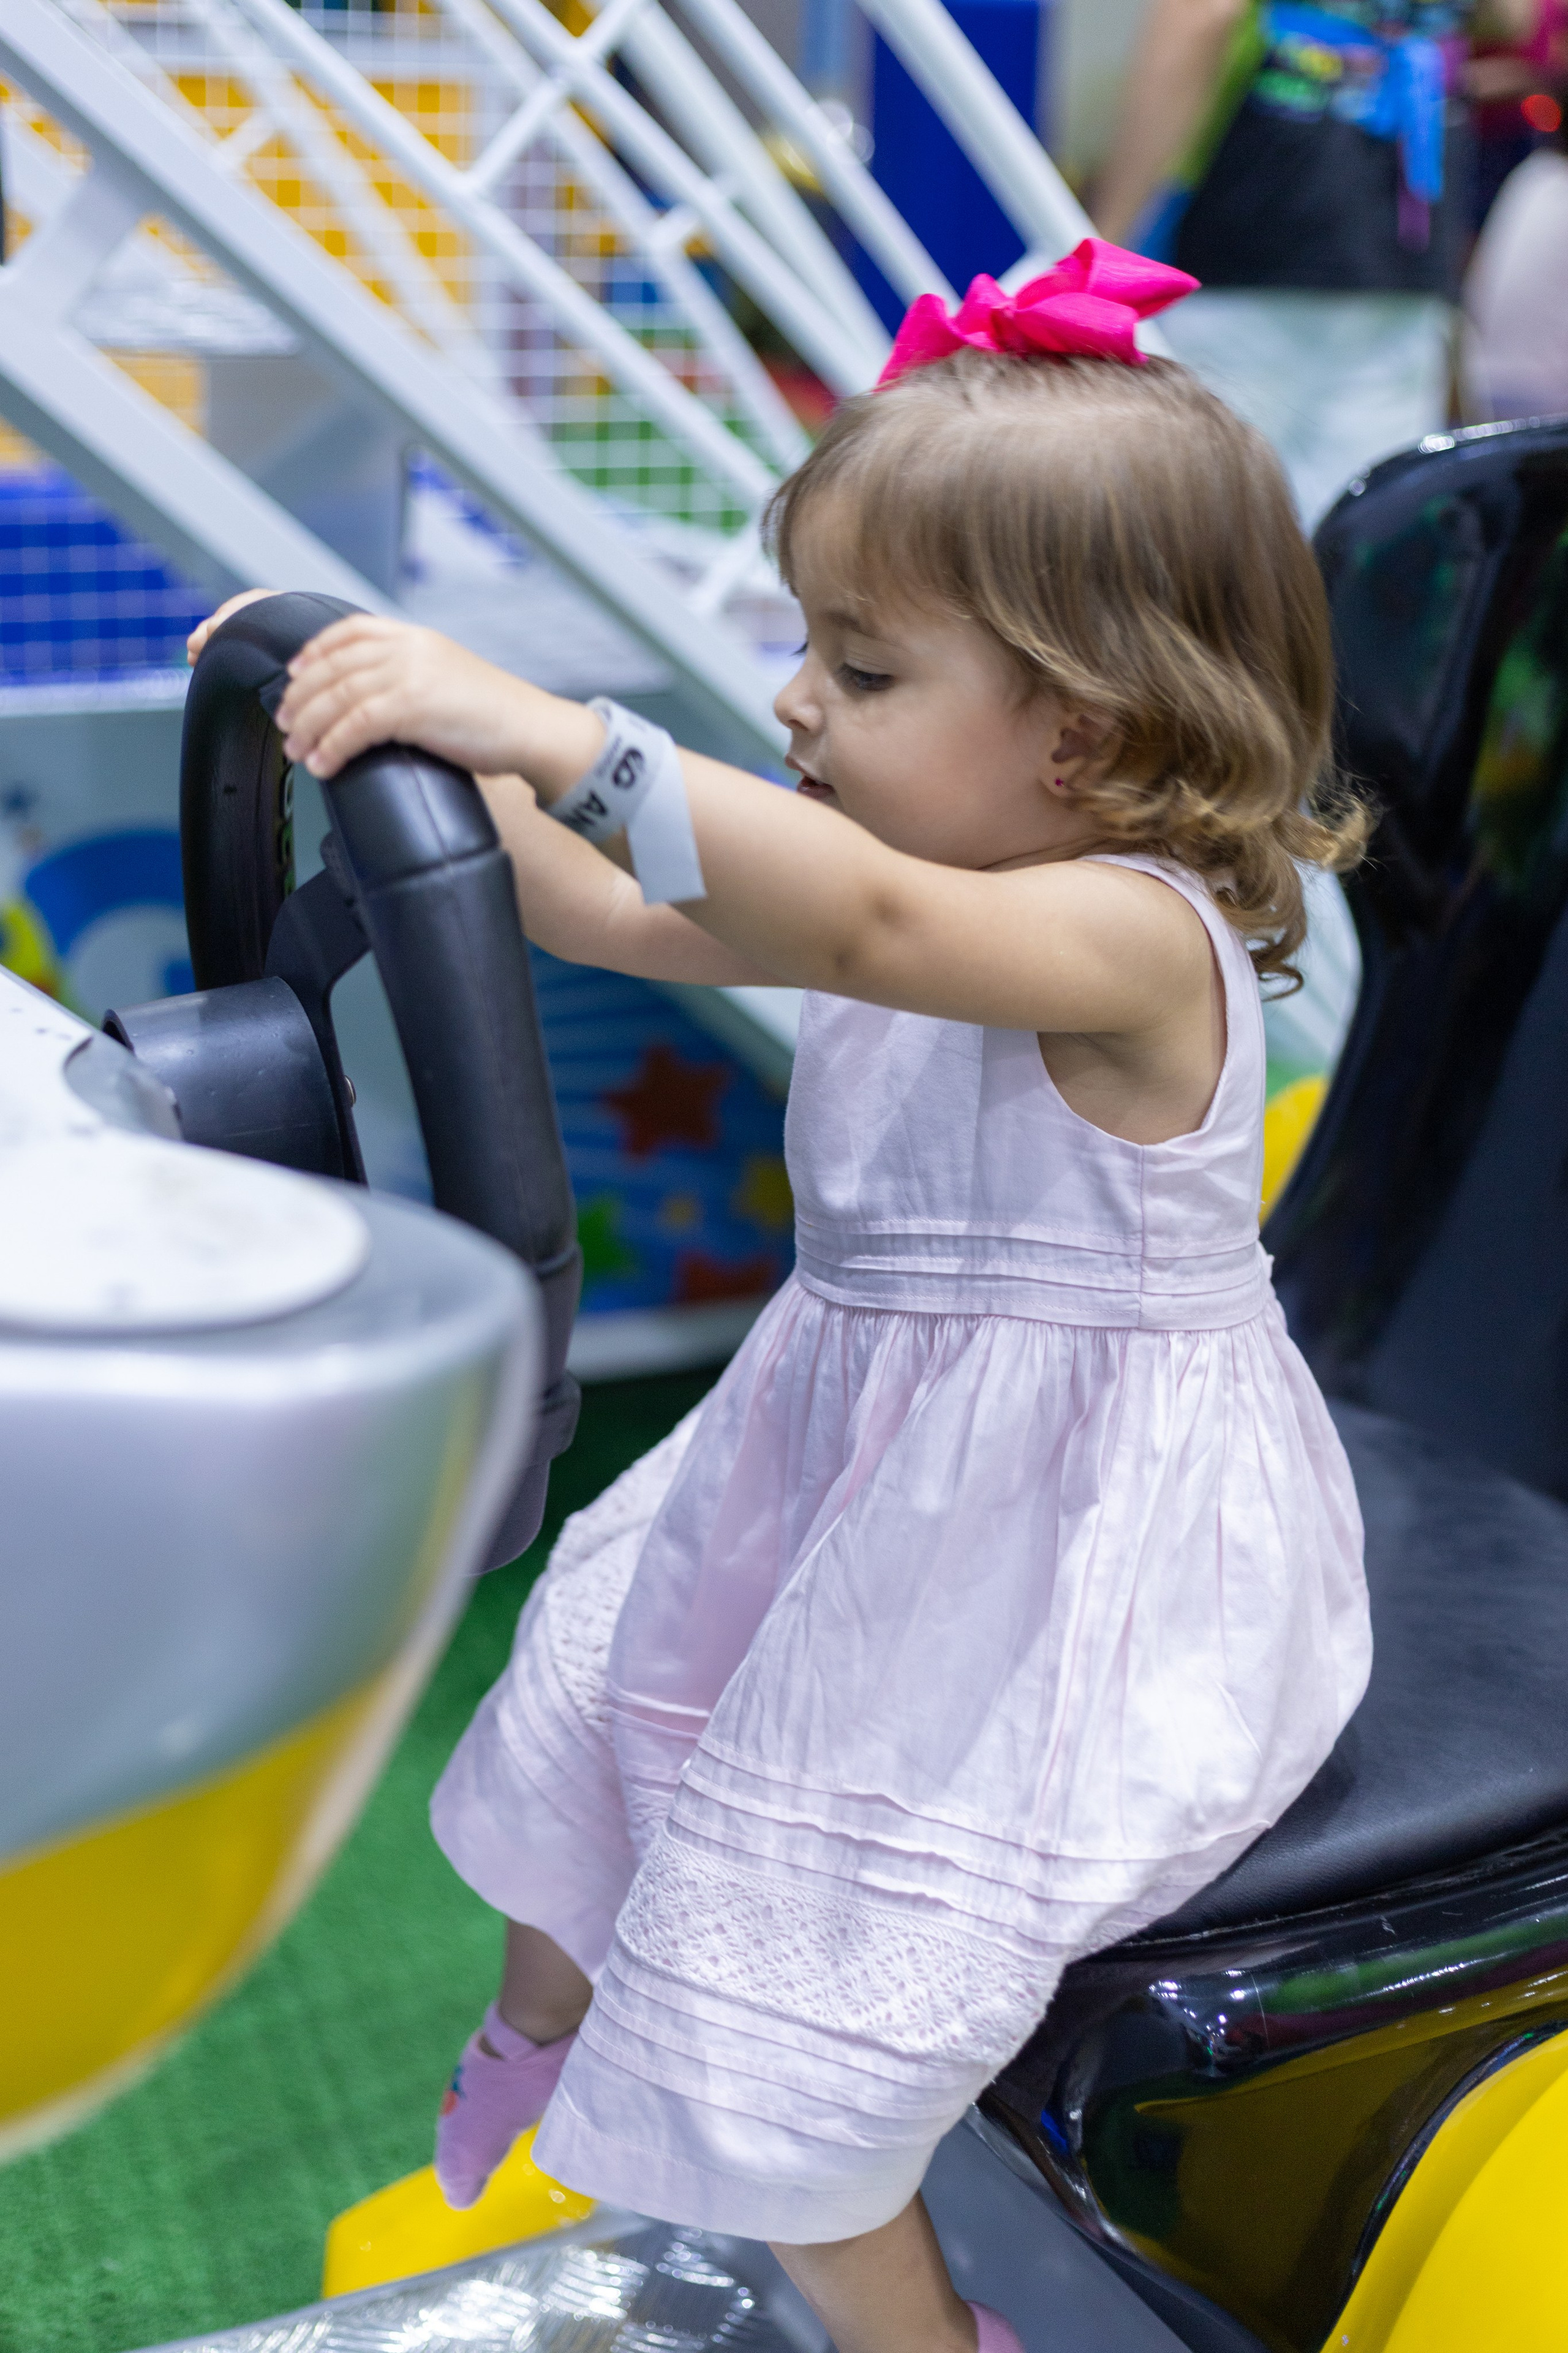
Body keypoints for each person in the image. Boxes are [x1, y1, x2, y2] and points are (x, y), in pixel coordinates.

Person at [195, 243, 1373, 2353]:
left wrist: (564, 727)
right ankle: (567, 2055)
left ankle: (900, 2313)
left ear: (1089, 733)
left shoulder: (1123, 940)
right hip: (860, 1470)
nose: (800, 698)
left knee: (806, 1984)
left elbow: (871, 913)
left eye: (864, 663)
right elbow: (606, 907)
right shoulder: (913, 899)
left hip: (1074, 1544)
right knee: (579, 1703)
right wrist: (390, 731)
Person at [1093, 0, 1535, 524]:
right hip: (1403, 241)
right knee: (1357, 533)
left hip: (1264, 229)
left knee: (1203, 526)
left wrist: (1105, 238)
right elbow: (1513, 17)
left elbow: (1200, 19)